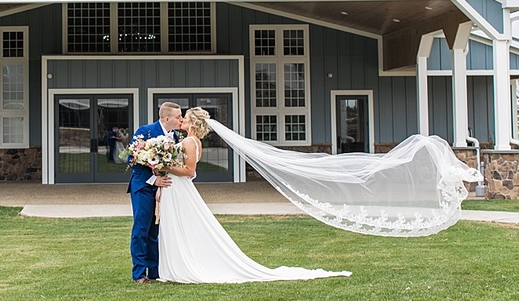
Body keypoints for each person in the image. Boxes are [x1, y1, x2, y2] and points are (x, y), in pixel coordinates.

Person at [157, 107, 351, 284]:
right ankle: (178, 264)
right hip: (175, 188)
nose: (181, 120)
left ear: (193, 122)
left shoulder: (190, 142)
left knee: (182, 224)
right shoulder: (190, 141)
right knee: (180, 225)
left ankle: (183, 267)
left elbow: (189, 171)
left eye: (185, 118)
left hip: (180, 188)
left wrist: (164, 165)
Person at [127, 101, 183, 284]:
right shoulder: (146, 131)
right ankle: (139, 274)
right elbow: (132, 159)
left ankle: (155, 271)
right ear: (167, 118)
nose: (181, 119)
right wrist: (153, 180)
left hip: (164, 189)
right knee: (142, 229)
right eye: (178, 117)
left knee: (156, 230)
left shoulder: (176, 137)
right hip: (143, 187)